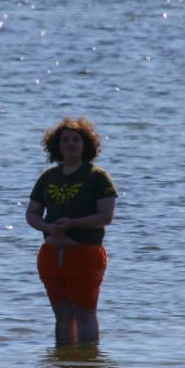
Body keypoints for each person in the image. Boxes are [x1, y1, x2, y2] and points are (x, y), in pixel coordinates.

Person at [26, 117, 117, 344]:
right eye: (65, 140)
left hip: (84, 254)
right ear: (57, 146)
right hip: (50, 255)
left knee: (84, 314)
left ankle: (88, 361)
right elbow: (32, 213)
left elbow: (105, 216)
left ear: (86, 144)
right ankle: (64, 362)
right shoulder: (48, 177)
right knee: (62, 316)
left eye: (76, 139)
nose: (70, 144)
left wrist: (72, 224)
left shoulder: (98, 176)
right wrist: (47, 227)